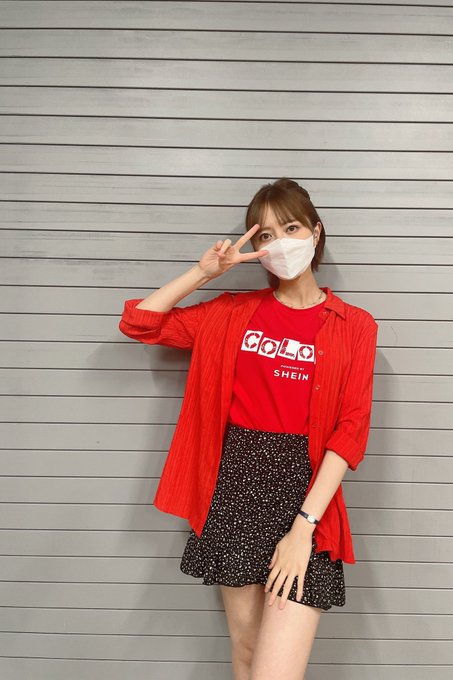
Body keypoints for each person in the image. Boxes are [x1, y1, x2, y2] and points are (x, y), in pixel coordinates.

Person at [118, 177, 378, 680]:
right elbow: (139, 323)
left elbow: (350, 432)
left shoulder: (355, 325)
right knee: (246, 653)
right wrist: (204, 272)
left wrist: (303, 528)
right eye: (265, 235)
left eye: (291, 228)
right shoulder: (232, 313)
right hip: (235, 486)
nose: (279, 243)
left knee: (275, 672)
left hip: (305, 493)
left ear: (316, 232)